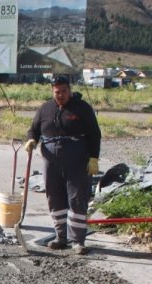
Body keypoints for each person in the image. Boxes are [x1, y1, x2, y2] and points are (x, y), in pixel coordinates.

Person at [25, 75, 101, 254]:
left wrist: (93, 158)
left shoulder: (82, 108)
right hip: (51, 161)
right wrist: (32, 139)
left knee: (77, 198)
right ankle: (60, 237)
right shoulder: (45, 108)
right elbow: (34, 129)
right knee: (54, 196)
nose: (60, 95)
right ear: (52, 91)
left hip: (77, 159)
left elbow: (94, 134)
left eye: (64, 91)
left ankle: (78, 241)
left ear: (70, 90)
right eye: (57, 92)